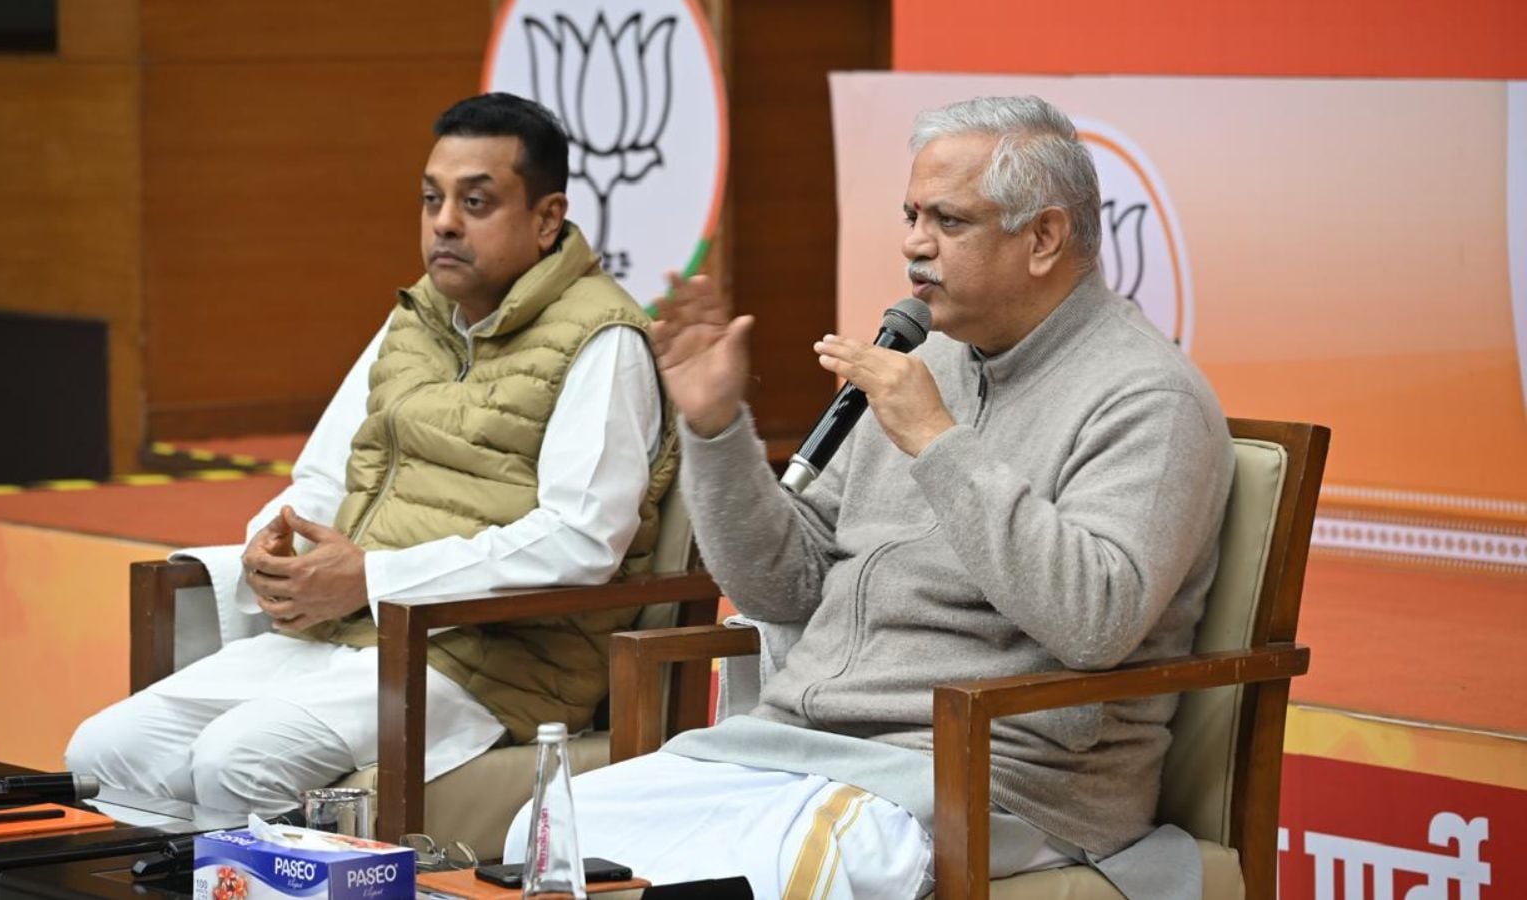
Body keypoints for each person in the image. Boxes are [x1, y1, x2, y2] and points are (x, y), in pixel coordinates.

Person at [503, 96, 1234, 899]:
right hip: (799, 749)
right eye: (912, 216)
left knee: (786, 874)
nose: (914, 243)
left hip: (989, 778)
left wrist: (937, 442)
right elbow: (781, 587)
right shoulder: (927, 364)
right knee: (553, 832)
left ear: (1044, 238)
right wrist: (714, 429)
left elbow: (1096, 621)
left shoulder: (1148, 396)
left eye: (949, 221)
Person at [66, 93, 677, 814]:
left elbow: (582, 541)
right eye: (431, 199)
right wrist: (277, 544)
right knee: (103, 753)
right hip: (350, 631)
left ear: (547, 219)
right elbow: (326, 474)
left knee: (238, 760)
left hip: (487, 662)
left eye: (475, 202)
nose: (444, 222)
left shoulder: (604, 340)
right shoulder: (417, 316)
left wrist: (372, 579)